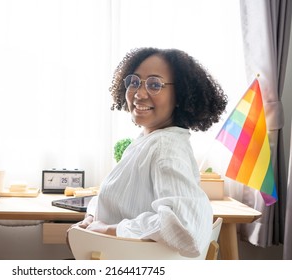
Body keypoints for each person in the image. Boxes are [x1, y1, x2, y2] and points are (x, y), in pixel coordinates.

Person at [70, 47, 228, 257]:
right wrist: (92, 218)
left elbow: (185, 225)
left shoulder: (165, 147)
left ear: (179, 95)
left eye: (155, 85)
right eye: (134, 82)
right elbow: (123, 201)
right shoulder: (151, 140)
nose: (139, 93)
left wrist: (111, 230)